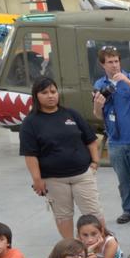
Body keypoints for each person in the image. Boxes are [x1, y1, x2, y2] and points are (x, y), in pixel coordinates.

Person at [20, 77, 101, 239]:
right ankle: (71, 247)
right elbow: (30, 155)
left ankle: (101, 246)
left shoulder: (71, 114)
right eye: (44, 93)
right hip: (54, 180)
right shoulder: (30, 122)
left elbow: (91, 140)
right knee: (63, 216)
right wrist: (37, 180)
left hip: (82, 175)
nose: (50, 96)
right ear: (36, 96)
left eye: (53, 91)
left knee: (94, 213)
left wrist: (95, 163)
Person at [92, 45, 130, 225]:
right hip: (116, 140)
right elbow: (97, 115)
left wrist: (129, 82)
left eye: (116, 61)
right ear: (103, 65)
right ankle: (128, 210)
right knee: (123, 180)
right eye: (110, 62)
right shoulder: (100, 85)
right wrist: (98, 104)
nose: (114, 65)